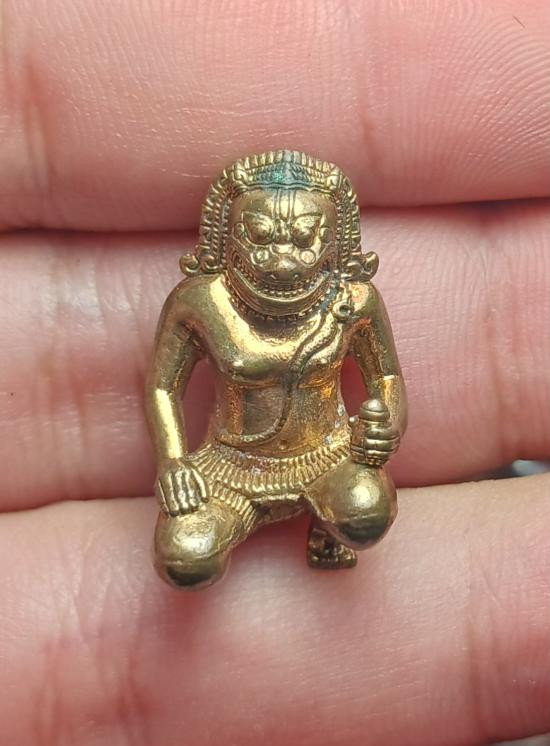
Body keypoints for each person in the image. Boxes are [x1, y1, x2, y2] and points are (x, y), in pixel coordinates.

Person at [0, 2, 548, 744]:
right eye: (260, 235)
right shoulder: (200, 301)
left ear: (335, 240)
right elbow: (162, 384)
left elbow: (386, 381)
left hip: (324, 456)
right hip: (228, 465)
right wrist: (173, 463)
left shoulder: (353, 300)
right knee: (183, 558)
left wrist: (384, 427)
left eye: (304, 237)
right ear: (227, 237)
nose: (282, 257)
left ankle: (326, 524)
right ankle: (246, 523)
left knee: (367, 510)